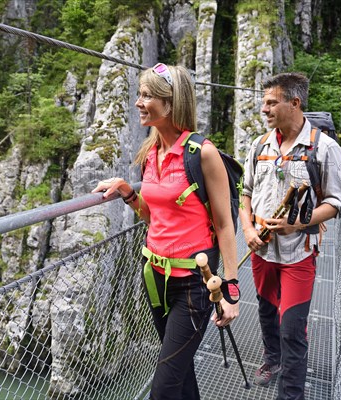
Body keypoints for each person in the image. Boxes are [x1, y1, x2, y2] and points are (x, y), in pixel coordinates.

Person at [92, 63, 239, 400]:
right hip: (155, 277)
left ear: (171, 103)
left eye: (147, 96)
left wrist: (231, 289)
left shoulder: (202, 153)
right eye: (139, 94)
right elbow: (151, 215)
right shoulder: (151, 153)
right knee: (181, 374)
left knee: (163, 389)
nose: (138, 102)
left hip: (193, 284)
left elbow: (224, 224)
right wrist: (129, 193)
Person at [239, 72, 341, 399]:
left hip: (298, 253)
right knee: (266, 310)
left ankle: (291, 394)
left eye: (272, 102)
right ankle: (272, 360)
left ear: (294, 103)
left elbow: (336, 203)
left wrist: (297, 224)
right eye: (264, 103)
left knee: (292, 330)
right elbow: (244, 193)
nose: (264, 109)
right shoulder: (259, 145)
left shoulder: (324, 148)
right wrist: (246, 228)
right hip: (261, 250)